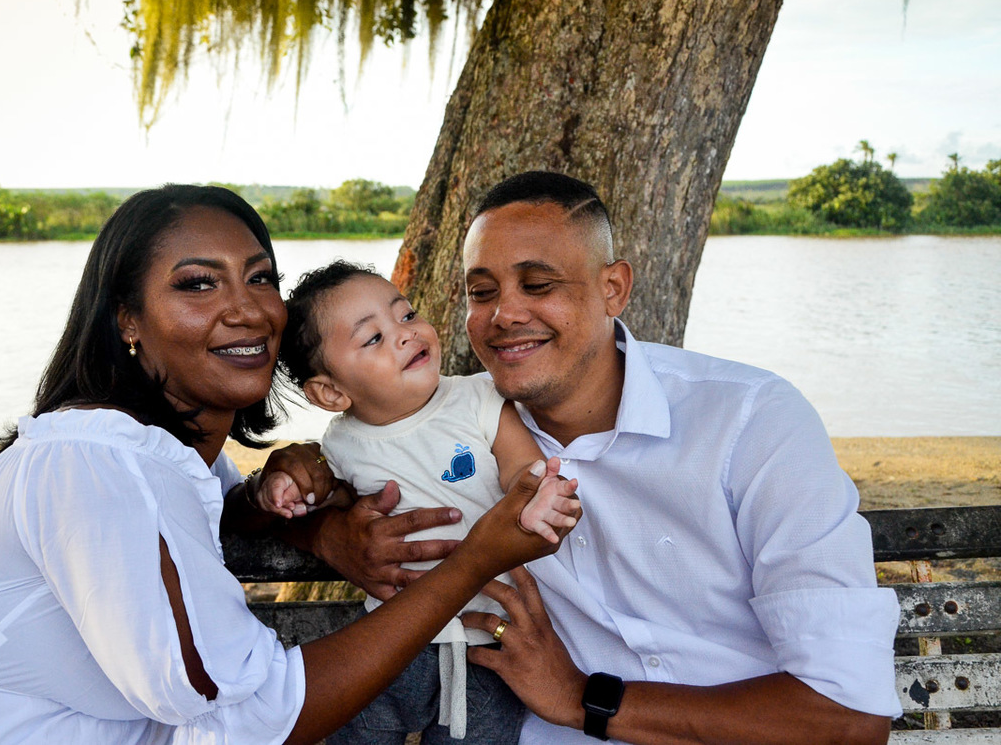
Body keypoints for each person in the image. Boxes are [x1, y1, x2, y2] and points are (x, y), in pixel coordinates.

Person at [0, 184, 570, 745]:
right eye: (197, 283)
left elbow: (217, 518)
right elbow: (253, 713)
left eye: (261, 277)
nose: (247, 308)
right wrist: (470, 564)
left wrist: (318, 527)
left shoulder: (159, 456)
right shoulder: (95, 464)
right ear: (128, 321)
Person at [296, 171, 902, 744]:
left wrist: (584, 698)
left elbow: (849, 718)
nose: (505, 314)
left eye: (539, 285)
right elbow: (236, 506)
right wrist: (328, 533)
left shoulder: (750, 422)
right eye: (483, 292)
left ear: (613, 288)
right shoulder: (458, 427)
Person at [251, 260, 581, 743]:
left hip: (486, 643)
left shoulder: (477, 399)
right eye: (373, 338)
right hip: (391, 644)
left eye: (405, 315)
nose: (405, 334)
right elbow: (331, 500)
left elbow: (522, 469)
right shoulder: (341, 444)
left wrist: (540, 497)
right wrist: (290, 486)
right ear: (331, 392)